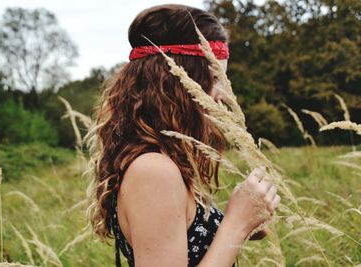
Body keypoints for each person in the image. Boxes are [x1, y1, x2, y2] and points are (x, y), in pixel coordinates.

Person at [84, 4, 281, 267]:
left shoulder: (165, 162)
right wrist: (236, 224)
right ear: (176, 81)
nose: (223, 93)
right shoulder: (153, 171)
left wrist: (244, 223)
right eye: (215, 76)